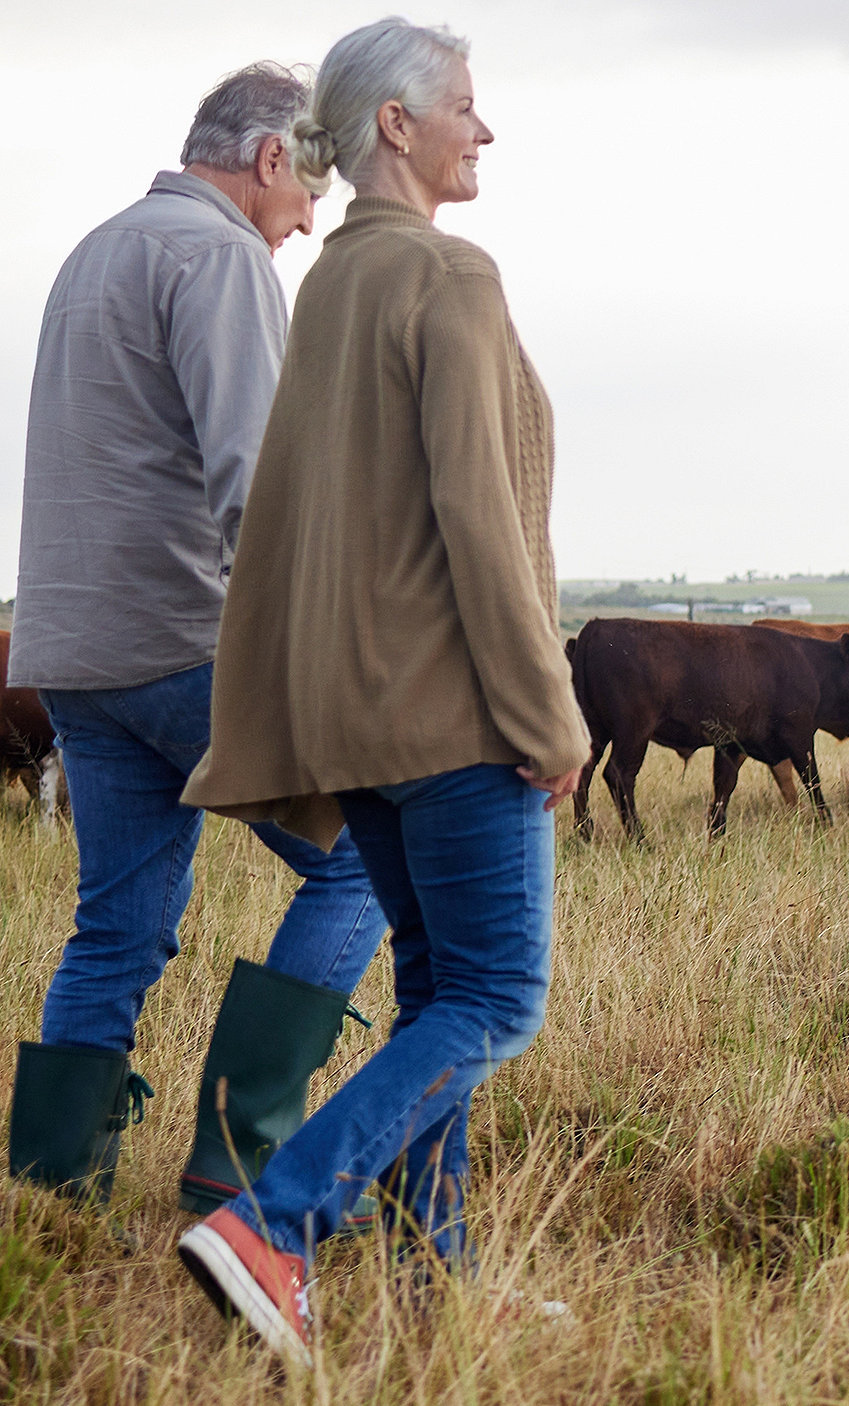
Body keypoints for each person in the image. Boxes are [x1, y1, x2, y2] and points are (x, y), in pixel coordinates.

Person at [172, 20, 588, 1365]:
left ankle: (435, 1283)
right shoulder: (448, 278)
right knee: (497, 998)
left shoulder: (333, 283)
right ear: (396, 128)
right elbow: (479, 520)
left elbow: (302, 520)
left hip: (359, 721)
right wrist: (551, 715)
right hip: (456, 717)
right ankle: (272, 1221)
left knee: (432, 996)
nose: (487, 129)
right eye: (467, 106)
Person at [6, 64, 390, 1214]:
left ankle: (48, 1184)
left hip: (73, 652)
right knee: (381, 852)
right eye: (310, 189)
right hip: (184, 641)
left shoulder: (95, 249)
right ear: (272, 158)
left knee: (116, 922)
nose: (311, 219)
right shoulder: (219, 255)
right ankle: (242, 1154)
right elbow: (256, 482)